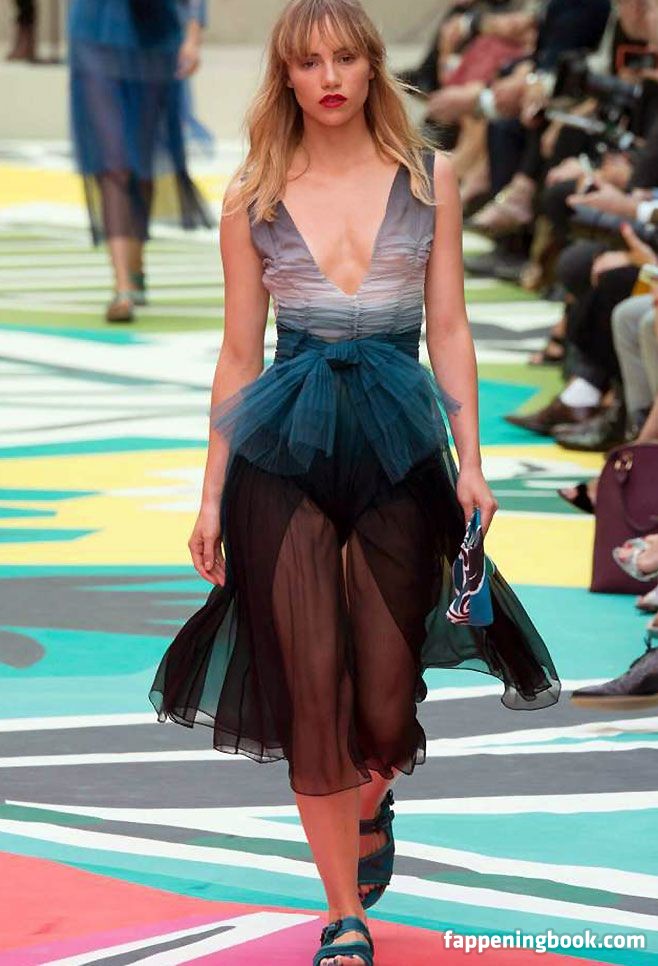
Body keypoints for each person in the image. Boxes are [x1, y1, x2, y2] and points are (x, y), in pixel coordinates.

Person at [147, 2, 561, 964]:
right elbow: (238, 353)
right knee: (311, 692)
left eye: (344, 58)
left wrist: (473, 463)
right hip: (279, 457)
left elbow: (448, 327)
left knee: (383, 702)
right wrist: (209, 496)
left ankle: (372, 801)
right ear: (286, 77)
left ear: (373, 67)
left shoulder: (428, 176)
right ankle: (344, 915)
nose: (328, 77)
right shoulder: (253, 191)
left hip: (400, 451)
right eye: (308, 62)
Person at [68, 0, 212, 323]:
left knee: (142, 164)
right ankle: (122, 285)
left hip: (155, 35)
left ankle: (135, 263)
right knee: (113, 162)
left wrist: (193, 36)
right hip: (94, 32)